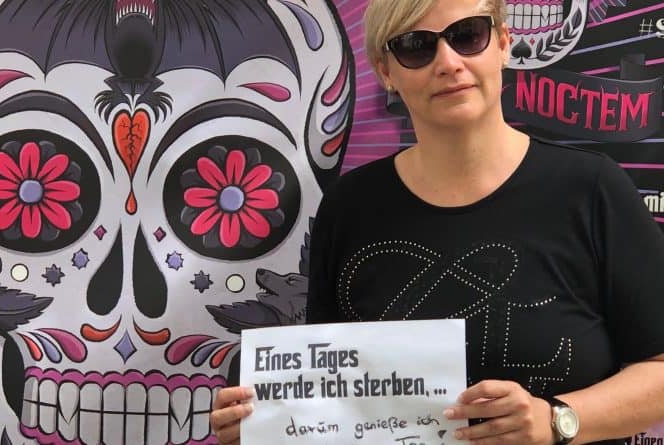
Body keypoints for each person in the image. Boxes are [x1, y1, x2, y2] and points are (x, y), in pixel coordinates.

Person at [209, 0, 664, 443]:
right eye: (416, 46)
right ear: (386, 72)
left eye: (468, 36)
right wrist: (268, 422)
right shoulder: (350, 208)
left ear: (503, 43)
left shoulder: (591, 190)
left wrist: (556, 420)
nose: (447, 63)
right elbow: (330, 398)